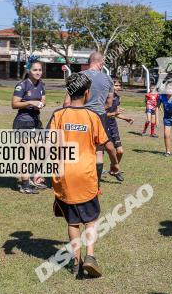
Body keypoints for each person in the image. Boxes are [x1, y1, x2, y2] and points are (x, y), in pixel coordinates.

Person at [47, 72, 120, 277]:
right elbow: (108, 146)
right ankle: (90, 255)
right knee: (91, 219)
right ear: (87, 93)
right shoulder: (92, 117)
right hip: (86, 176)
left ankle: (76, 261)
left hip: (65, 177)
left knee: (72, 222)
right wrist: (115, 164)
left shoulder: (58, 115)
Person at [64, 52, 116, 185]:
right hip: (99, 116)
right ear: (101, 63)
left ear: (89, 61)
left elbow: (66, 102)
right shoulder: (108, 79)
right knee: (99, 150)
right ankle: (96, 182)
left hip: (80, 115)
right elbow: (109, 103)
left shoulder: (79, 76)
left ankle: (74, 178)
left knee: (78, 147)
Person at [11, 61, 46, 194]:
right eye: (35, 70)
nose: (38, 72)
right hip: (23, 122)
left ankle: (33, 178)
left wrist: (41, 104)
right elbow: (14, 104)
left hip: (36, 121)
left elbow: (43, 100)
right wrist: (30, 102)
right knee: (26, 152)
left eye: (40, 70)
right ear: (29, 71)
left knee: (40, 150)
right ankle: (25, 184)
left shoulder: (41, 84)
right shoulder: (22, 85)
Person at [105, 78, 134, 182]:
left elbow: (116, 113)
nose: (119, 87)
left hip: (113, 126)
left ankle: (113, 169)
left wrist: (126, 118)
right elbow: (102, 114)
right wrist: (114, 114)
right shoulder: (105, 97)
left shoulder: (118, 98)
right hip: (103, 125)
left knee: (120, 151)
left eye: (119, 85)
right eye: (116, 85)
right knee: (104, 151)